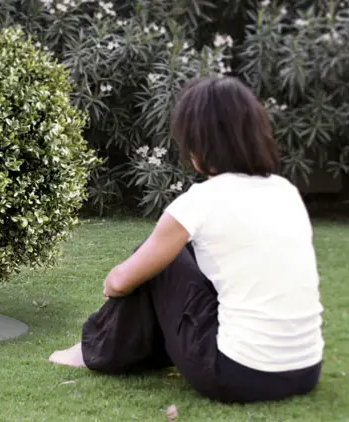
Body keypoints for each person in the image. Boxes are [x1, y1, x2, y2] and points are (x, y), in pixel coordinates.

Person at [48, 76, 324, 404]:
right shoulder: (286, 191)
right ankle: (117, 348)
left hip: (237, 375)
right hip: (305, 370)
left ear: (199, 144)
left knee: (158, 261)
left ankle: (92, 350)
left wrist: (111, 284)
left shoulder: (202, 200)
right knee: (187, 251)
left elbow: (122, 282)